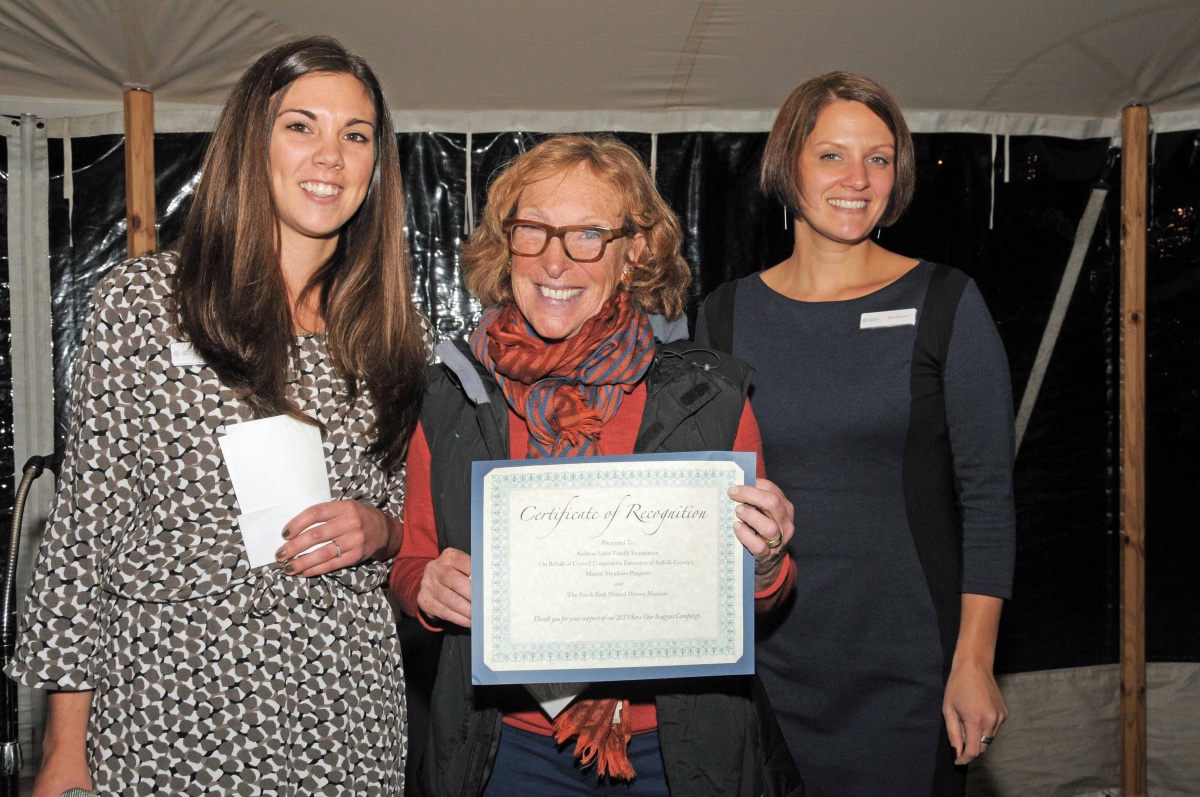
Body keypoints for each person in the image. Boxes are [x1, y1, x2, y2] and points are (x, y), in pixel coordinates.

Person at [6, 37, 429, 796]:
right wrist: (65, 750)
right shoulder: (146, 304)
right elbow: (82, 538)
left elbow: (406, 514)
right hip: (171, 706)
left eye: (355, 135)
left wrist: (382, 529)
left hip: (341, 709)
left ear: (377, 164)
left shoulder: (388, 330)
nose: (330, 156)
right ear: (250, 143)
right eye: (302, 126)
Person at [390, 135, 804, 797]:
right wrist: (426, 588)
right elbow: (408, 562)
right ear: (507, 241)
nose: (555, 260)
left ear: (633, 252)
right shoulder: (452, 398)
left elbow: (758, 597)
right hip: (506, 752)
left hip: (676, 753)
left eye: (587, 233)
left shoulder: (710, 398)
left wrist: (764, 558)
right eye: (533, 230)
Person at [695, 72, 1016, 796]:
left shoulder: (946, 303)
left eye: (879, 157)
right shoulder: (724, 316)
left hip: (907, 666)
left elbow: (990, 498)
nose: (858, 178)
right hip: (764, 665)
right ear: (788, 165)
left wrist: (975, 659)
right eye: (832, 155)